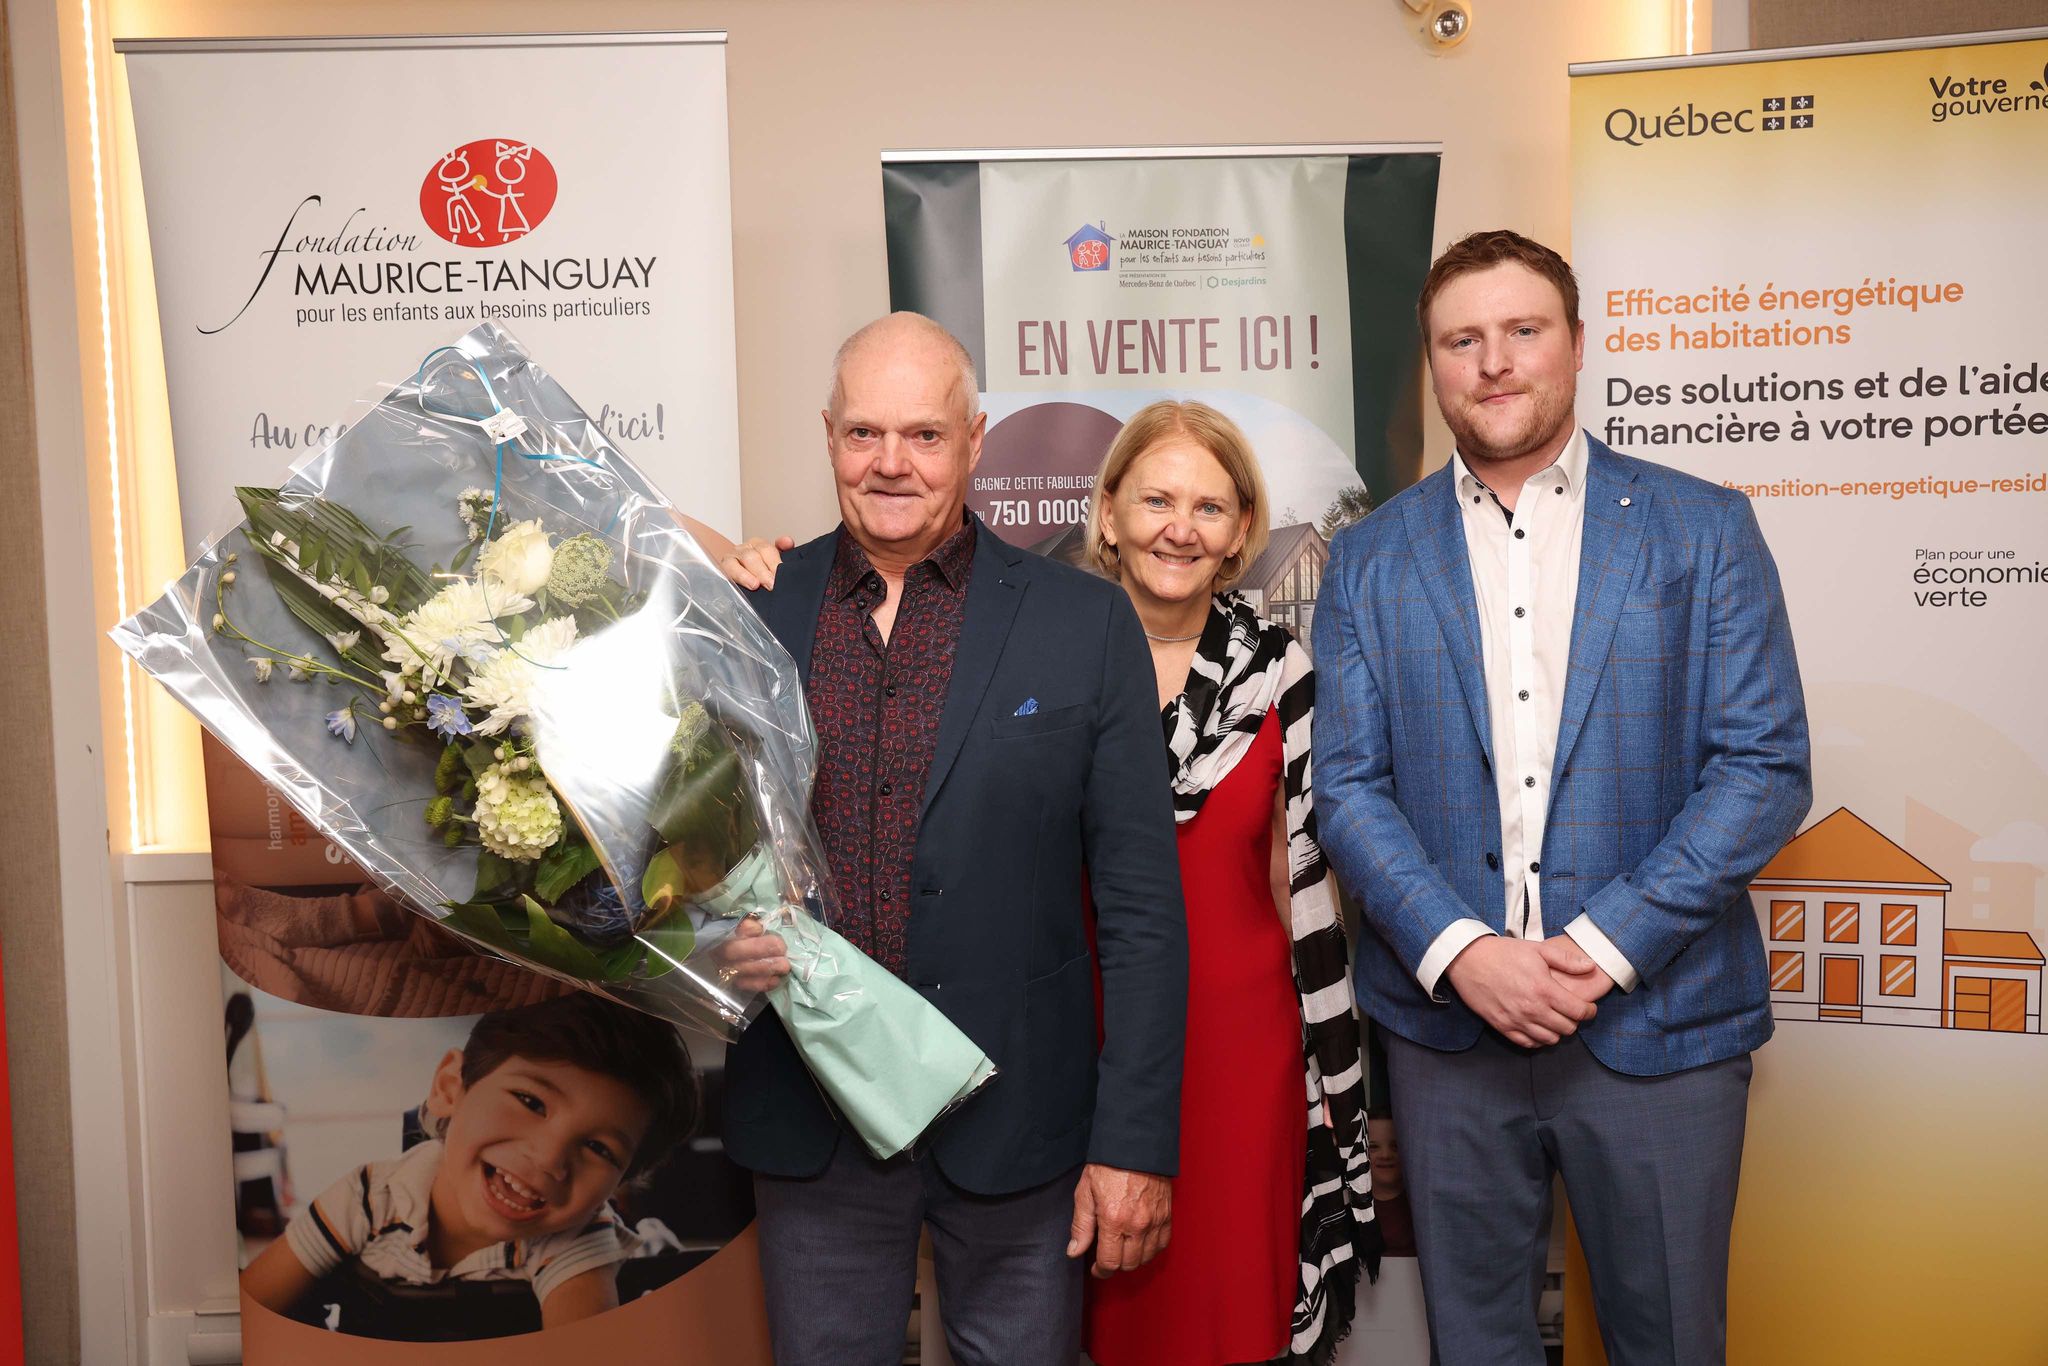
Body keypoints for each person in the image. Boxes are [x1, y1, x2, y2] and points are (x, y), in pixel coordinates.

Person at [1311, 229, 1811, 1364]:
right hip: (1446, 1039)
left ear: (1576, 347)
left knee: (1667, 1341)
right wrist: (1461, 949)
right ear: (1432, 365)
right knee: (1475, 1344)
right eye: (1460, 340)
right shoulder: (1368, 558)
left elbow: (1762, 766)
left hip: (1658, 1024)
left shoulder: (1702, 528)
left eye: (1521, 331)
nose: (1491, 362)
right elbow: (1346, 787)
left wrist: (1596, 945)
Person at [714, 312, 1188, 1366]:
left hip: (1016, 1123)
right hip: (810, 1119)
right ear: (827, 434)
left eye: (924, 435)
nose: (890, 464)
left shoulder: (1081, 621)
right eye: (863, 434)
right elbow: (679, 855)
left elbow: (1142, 910)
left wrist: (1133, 1144)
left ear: (976, 439)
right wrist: (712, 943)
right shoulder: (750, 611)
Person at [1074, 400, 1376, 1366]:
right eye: (1156, 498)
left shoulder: (1283, 674)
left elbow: (1308, 893)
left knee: (1229, 1317)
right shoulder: (1048, 658)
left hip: (1242, 1054)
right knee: (1091, 1319)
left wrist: (1328, 1070)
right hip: (1082, 1042)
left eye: (1210, 507)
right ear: (1109, 511)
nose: (1180, 527)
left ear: (1243, 529)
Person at [239, 992, 696, 1332]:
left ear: (622, 1182)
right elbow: (254, 1315)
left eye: (599, 1149)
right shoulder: (369, 1197)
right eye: (531, 1101)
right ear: (449, 1087)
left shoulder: (575, 1236)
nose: (549, 1158)